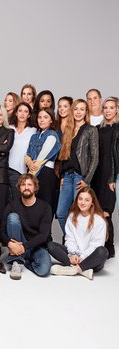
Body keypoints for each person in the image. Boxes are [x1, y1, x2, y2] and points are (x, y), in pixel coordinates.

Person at [56, 99, 99, 233]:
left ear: (86, 112)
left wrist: (87, 180)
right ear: (72, 111)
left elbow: (95, 157)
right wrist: (62, 176)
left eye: (82, 109)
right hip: (67, 176)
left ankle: (80, 242)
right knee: (61, 213)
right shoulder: (68, 130)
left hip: (80, 177)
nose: (78, 112)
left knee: (80, 212)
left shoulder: (91, 130)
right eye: (75, 109)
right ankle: (71, 238)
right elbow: (64, 157)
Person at [0, 173, 52, 280]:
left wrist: (23, 247)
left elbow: (44, 235)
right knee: (13, 217)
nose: (26, 187)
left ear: (35, 188)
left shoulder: (45, 207)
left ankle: (25, 261)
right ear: (19, 188)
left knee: (43, 270)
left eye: (29, 185)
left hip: (36, 246)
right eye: (23, 185)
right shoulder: (12, 206)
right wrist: (9, 244)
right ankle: (16, 261)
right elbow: (1, 231)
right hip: (18, 242)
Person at [48, 187, 108, 280]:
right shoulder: (72, 216)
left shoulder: (99, 221)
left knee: (103, 251)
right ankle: (83, 270)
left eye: (86, 200)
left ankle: (74, 269)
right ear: (77, 200)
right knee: (51, 245)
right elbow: (69, 238)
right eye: (80, 199)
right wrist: (73, 254)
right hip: (75, 256)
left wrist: (82, 257)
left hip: (90, 258)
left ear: (92, 202)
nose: (82, 202)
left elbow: (96, 245)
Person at [91, 97, 119, 258]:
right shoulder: (97, 129)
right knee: (97, 210)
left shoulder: (118, 128)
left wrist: (112, 177)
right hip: (97, 174)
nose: (108, 110)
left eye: (111, 107)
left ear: (117, 110)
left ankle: (110, 246)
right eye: (105, 108)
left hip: (110, 173)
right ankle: (99, 244)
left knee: (106, 211)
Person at [25, 108, 61, 209]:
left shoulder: (52, 135)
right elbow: (27, 155)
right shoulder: (34, 136)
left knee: (45, 204)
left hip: (45, 173)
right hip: (33, 171)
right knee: (32, 205)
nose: (42, 120)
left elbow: (42, 158)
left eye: (45, 117)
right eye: (39, 117)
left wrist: (29, 176)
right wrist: (29, 162)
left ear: (51, 120)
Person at [8, 102, 36, 201]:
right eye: (20, 111)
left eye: (25, 111)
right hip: (6, 168)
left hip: (21, 170)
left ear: (29, 115)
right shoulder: (9, 128)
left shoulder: (33, 130)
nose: (22, 114)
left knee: (17, 200)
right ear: (16, 113)